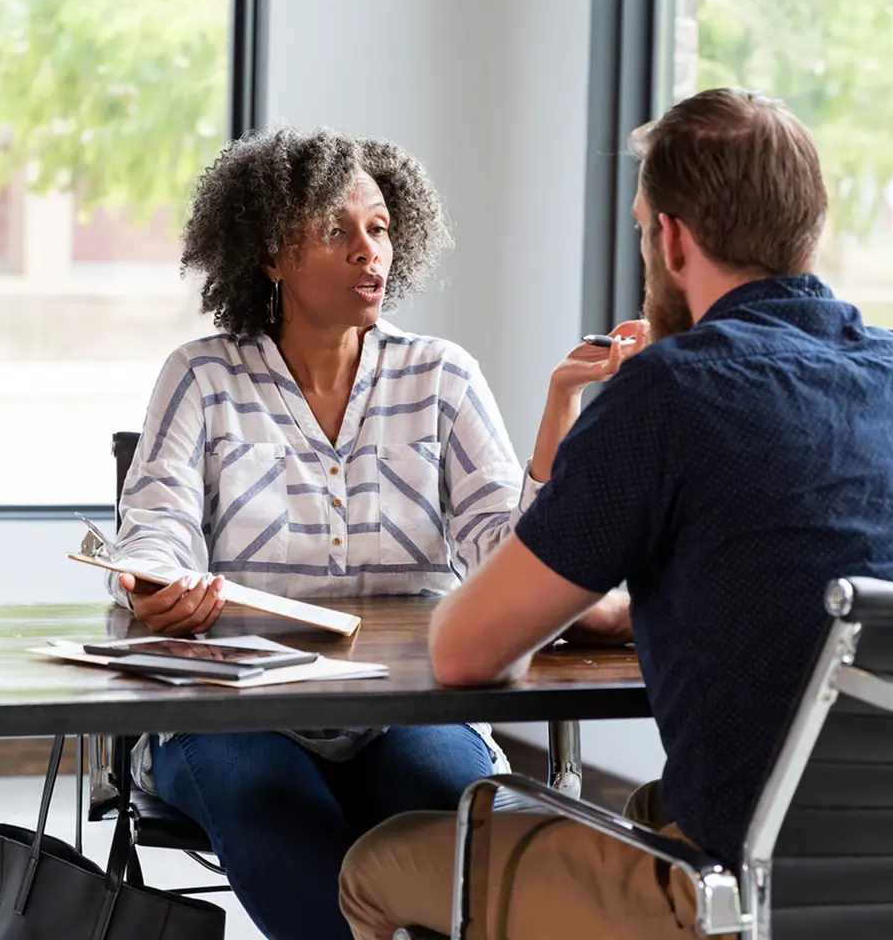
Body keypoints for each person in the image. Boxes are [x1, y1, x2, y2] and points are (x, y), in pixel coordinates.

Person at [339, 88, 893, 940]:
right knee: (654, 805)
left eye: (641, 226)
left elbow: (465, 651)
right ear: (809, 227)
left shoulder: (673, 391)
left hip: (747, 894)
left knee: (379, 863)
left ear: (672, 237)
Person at [109, 125, 629, 940]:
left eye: (381, 228)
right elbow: (157, 523)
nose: (367, 251)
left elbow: (509, 553)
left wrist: (561, 409)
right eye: (336, 230)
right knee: (272, 807)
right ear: (272, 256)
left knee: (450, 807)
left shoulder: (441, 375)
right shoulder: (202, 375)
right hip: (239, 711)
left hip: (406, 705)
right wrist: (154, 584)